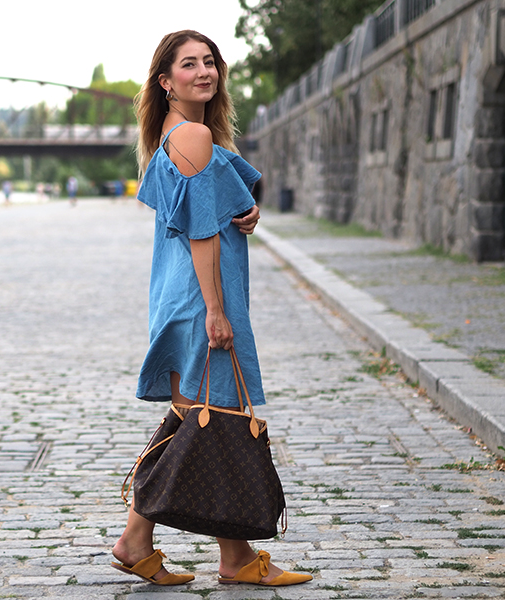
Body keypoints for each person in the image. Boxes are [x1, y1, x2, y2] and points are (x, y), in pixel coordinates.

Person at [111, 30, 313, 588]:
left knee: (196, 415)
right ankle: (218, 555)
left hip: (181, 296)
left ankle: (156, 544)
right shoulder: (193, 135)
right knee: (212, 413)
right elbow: (201, 232)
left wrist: (245, 212)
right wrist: (217, 310)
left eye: (210, 62)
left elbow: (214, 209)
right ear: (165, 81)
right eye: (188, 64)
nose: (203, 71)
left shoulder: (180, 135)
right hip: (200, 297)